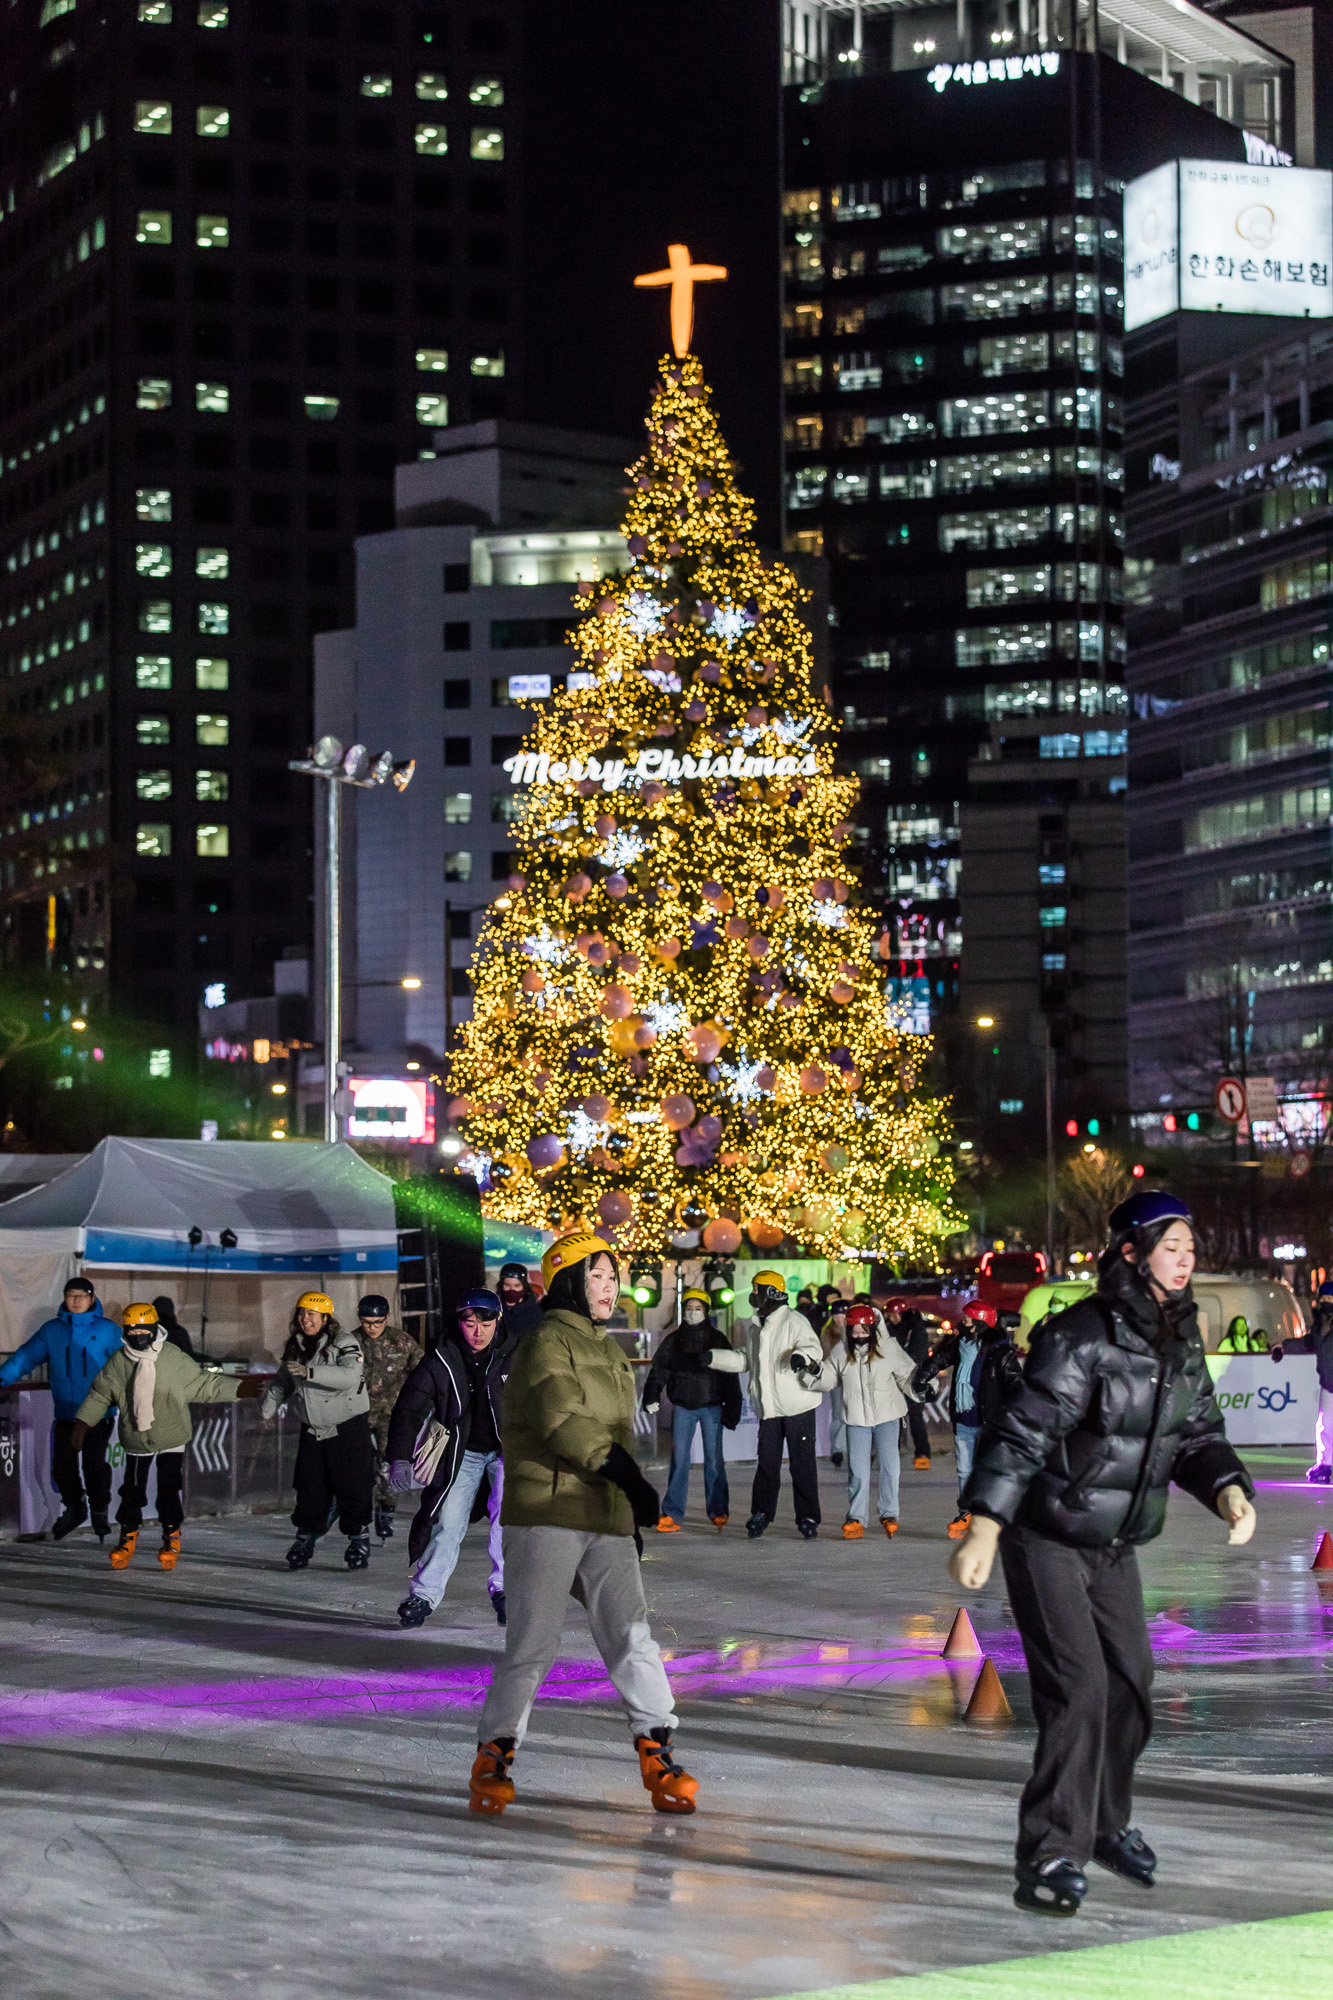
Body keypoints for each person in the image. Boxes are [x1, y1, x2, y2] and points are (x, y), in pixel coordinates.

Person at [951, 1189, 1256, 1919]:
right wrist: (985, 1524)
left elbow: (1196, 1433)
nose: (1184, 1259)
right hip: (1044, 1533)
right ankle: (1052, 1850)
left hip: (1112, 1542)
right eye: (1170, 1246)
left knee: (1131, 1684)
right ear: (1131, 1253)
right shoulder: (1080, 1334)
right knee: (1079, 1688)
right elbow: (1023, 1430)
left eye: (1189, 1248)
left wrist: (1226, 1488)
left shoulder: (1180, 1338)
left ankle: (1106, 1825)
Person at [470, 1230, 698, 1820]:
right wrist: (627, 1475)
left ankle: (657, 1749)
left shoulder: (612, 1351)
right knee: (533, 1644)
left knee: (631, 1634)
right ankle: (494, 1754)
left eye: (612, 1276)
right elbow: (562, 1419)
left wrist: (626, 1506)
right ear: (568, 1282)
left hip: (604, 1514)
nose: (608, 1287)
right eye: (595, 1275)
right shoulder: (544, 1343)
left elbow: (615, 1433)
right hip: (547, 1513)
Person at [70, 1302, 261, 1569]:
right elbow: (100, 1394)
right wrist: (83, 1423)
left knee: (169, 1489)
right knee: (132, 1490)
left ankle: (171, 1536)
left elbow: (202, 1383)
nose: (138, 1336)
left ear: (153, 1329)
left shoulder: (172, 1357)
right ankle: (127, 1537)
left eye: (143, 1331)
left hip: (171, 1434)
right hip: (137, 1436)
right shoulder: (119, 1361)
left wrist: (239, 1389)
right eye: (132, 1331)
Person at [388, 1288, 517, 1628]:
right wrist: (400, 1457)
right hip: (464, 1453)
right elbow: (409, 1408)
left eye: (485, 1324)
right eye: (470, 1324)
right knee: (447, 1521)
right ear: (459, 1323)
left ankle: (507, 1590)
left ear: (498, 1321)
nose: (478, 1333)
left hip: (509, 1452)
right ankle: (423, 1595)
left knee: (509, 1520)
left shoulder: (517, 1354)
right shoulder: (441, 1359)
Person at [0, 1275, 122, 1541]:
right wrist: (2, 1378)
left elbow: (124, 1366)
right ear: (65, 1299)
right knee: (61, 1468)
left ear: (92, 1299)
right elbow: (25, 1357)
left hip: (98, 1413)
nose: (76, 1301)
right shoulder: (52, 1331)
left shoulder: (107, 1330)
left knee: (93, 1465)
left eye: (82, 1296)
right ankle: (75, 1506)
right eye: (71, 1296)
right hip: (66, 1412)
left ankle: (99, 1510)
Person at [261, 1291, 375, 1572]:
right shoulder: (296, 1345)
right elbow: (283, 1381)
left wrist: (310, 1372)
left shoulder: (344, 1343)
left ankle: (358, 1538)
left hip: (347, 1428)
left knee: (353, 1487)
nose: (305, 1319)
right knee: (309, 1489)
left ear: (325, 1318)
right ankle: (305, 1537)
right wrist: (267, 1410)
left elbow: (349, 1377)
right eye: (301, 1314)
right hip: (313, 1430)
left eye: (311, 1315)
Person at [914, 1300, 1021, 1539]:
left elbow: (1015, 1382)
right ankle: (966, 1513)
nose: (964, 1321)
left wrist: (1013, 1413)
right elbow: (938, 1360)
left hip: (988, 1419)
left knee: (986, 1470)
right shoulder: (960, 1344)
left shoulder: (1000, 1350)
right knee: (964, 1469)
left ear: (981, 1322)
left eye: (969, 1318)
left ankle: (988, 1516)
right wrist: (921, 1379)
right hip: (963, 1417)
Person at [814, 1303, 919, 1538]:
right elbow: (827, 1378)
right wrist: (814, 1371)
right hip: (856, 1420)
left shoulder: (888, 1348)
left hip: (887, 1417)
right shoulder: (841, 1352)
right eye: (854, 1331)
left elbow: (907, 1375)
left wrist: (923, 1387)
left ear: (872, 1328)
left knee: (890, 1467)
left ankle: (889, 1513)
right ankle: (856, 1517)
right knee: (858, 1471)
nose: (859, 1335)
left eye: (863, 1330)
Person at [641, 1288, 743, 1532]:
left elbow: (730, 1376)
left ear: (706, 1311)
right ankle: (672, 1512)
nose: (693, 1313)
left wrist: (733, 1408)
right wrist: (652, 1394)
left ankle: (718, 1509)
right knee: (680, 1460)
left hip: (712, 1407)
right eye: (689, 1308)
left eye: (698, 1309)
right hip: (684, 1407)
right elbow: (660, 1369)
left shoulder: (717, 1340)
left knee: (714, 1460)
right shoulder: (674, 1341)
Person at [743, 1270, 825, 1540]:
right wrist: (714, 1359)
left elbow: (812, 1347)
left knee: (802, 1464)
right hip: (770, 1408)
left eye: (756, 1289)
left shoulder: (794, 1320)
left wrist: (801, 1357)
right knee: (767, 1463)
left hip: (797, 1406)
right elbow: (747, 1360)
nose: (753, 1294)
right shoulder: (755, 1327)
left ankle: (808, 1516)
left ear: (769, 1292)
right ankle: (761, 1512)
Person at [357, 1292, 420, 1541]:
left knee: (387, 1464)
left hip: (391, 1414)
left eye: (377, 1322)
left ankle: (386, 1509)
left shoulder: (401, 1342)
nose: (372, 1328)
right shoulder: (351, 1342)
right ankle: (360, 1513)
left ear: (386, 1318)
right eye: (366, 1323)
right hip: (358, 1413)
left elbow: (422, 1371)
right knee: (360, 1465)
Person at [1271, 1278, 1333, 1483]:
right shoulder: (1319, 1326)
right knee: (1325, 1424)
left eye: (1330, 1298)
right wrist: (1284, 1347)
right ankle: (1325, 1464)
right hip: (1328, 1383)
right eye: (1324, 1298)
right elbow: (1307, 1343)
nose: (1326, 1302)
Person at [884, 1297, 934, 1468]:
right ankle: (892, 1451)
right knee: (894, 1417)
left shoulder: (916, 1329)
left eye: (894, 1315)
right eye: (889, 1316)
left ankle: (922, 1452)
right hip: (895, 1379)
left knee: (915, 1415)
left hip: (913, 1378)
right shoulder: (889, 1329)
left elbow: (918, 1353)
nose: (891, 1319)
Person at [819, 1295, 849, 1466]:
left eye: (841, 1315)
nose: (838, 1319)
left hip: (852, 1377)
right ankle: (836, 1450)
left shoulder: (856, 1330)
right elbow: (826, 1355)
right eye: (836, 1315)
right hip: (836, 1379)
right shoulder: (827, 1331)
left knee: (851, 1413)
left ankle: (844, 1447)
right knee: (838, 1414)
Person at [497, 1261, 543, 1340]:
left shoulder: (536, 1313)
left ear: (524, 1287)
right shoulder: (494, 1310)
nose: (511, 1289)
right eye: (507, 1285)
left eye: (516, 1285)